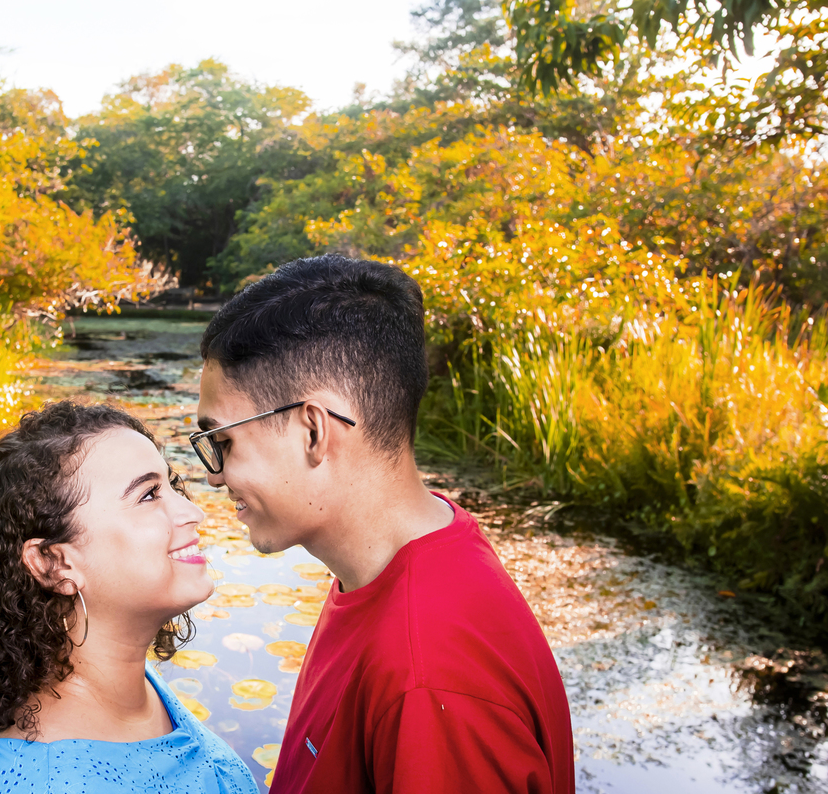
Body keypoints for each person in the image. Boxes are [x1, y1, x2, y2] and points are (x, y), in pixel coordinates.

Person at [191, 255, 574, 794]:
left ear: (313, 432)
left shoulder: (428, 673)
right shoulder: (392, 566)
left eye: (223, 443)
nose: (215, 477)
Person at [0, 401, 258, 794]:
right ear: (54, 563)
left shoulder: (128, 683)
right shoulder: (44, 784)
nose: (193, 512)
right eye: (148, 495)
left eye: (171, 486)